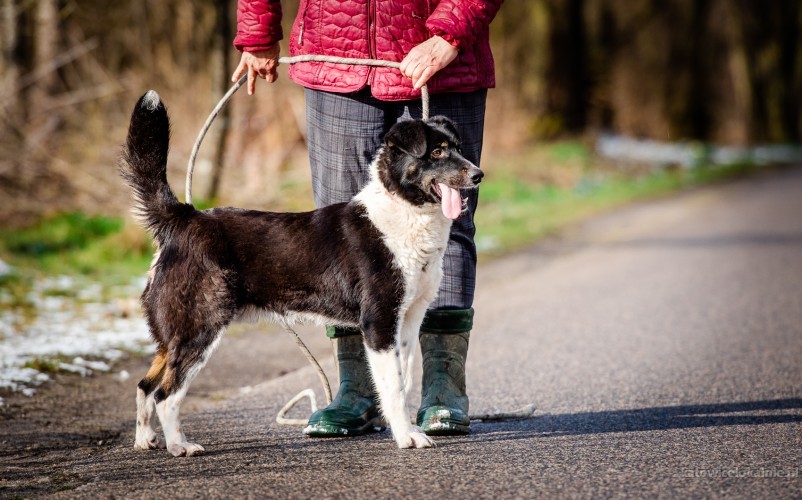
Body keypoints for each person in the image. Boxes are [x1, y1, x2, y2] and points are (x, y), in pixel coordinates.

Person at [232, 0, 503, 437]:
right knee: (337, 234)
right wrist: (258, 30)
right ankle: (358, 392)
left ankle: (443, 389)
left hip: (446, 59)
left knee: (448, 222)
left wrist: (451, 32)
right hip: (335, 54)